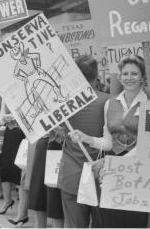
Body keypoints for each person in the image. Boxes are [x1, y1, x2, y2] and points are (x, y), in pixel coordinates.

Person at [76, 55, 149, 228]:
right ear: (119, 77)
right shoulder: (110, 103)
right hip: (112, 171)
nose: (129, 78)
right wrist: (85, 138)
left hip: (139, 170)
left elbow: (148, 146)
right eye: (125, 74)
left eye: (134, 74)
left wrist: (114, 164)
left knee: (136, 220)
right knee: (111, 219)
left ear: (142, 78)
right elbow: (108, 143)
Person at [59, 56, 110, 228]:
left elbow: (58, 132)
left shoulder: (63, 103)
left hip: (71, 174)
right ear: (97, 76)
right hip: (100, 174)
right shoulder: (108, 101)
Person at [0, 103, 25, 216]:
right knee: (5, 168)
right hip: (8, 133)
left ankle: (22, 211)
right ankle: (7, 201)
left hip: (21, 134)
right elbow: (1, 117)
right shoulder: (6, 97)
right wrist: (4, 119)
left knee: (18, 170)